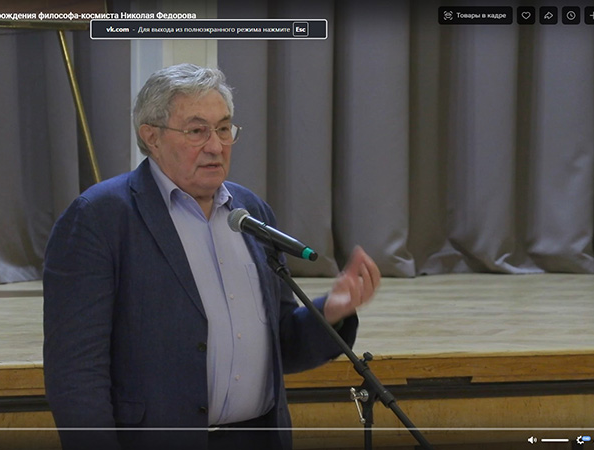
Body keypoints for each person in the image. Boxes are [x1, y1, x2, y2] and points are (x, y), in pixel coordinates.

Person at [43, 63, 381, 450]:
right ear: (151, 137)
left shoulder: (250, 211)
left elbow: (281, 344)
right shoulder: (100, 218)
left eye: (223, 128)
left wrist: (332, 310)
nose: (216, 146)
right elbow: (75, 373)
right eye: (197, 131)